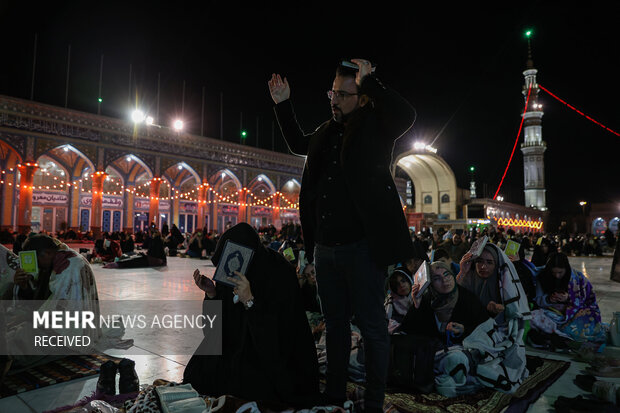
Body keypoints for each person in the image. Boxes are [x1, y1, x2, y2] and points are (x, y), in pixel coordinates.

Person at [269, 57, 416, 411]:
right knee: (334, 324)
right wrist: (283, 104)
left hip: (362, 248)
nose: (333, 100)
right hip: (325, 248)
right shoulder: (326, 130)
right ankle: (334, 394)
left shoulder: (375, 127)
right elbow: (296, 142)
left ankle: (373, 402)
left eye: (343, 94)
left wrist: (372, 83)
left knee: (372, 326)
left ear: (361, 97)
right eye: (332, 92)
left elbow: (406, 116)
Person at [183, 223, 320, 409]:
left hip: (273, 355)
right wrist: (212, 295)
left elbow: (278, 338)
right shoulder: (231, 270)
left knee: (251, 386)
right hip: (238, 347)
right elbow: (213, 332)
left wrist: (250, 301)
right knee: (197, 371)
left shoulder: (278, 274)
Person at [455, 243, 531, 394]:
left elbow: (512, 317)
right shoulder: (469, 278)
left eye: (489, 263)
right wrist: (462, 272)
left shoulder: (502, 282)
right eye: (479, 261)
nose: (483, 267)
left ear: (497, 264)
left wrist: (499, 312)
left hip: (494, 331)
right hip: (467, 327)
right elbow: (454, 301)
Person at [530, 252, 606, 344]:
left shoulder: (577, 278)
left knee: (589, 316)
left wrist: (569, 298)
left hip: (573, 313)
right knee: (533, 317)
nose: (557, 276)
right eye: (553, 272)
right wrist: (548, 299)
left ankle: (559, 332)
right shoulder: (542, 277)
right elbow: (538, 300)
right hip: (551, 313)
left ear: (566, 269)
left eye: (560, 272)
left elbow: (587, 300)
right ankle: (563, 333)